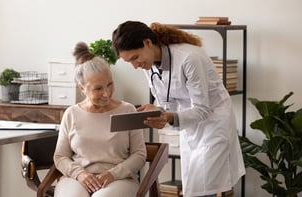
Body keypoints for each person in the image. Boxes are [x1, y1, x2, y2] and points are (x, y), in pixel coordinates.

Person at [112, 21, 246, 197]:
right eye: (129, 61)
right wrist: (156, 110)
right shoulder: (149, 66)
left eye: (135, 57)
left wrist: (167, 117)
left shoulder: (190, 58)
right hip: (189, 126)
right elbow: (168, 103)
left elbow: (202, 109)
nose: (135, 65)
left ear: (148, 43)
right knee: (195, 187)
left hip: (213, 124)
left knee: (205, 186)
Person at [53, 41, 147, 197]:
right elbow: (60, 156)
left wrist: (112, 174)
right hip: (77, 179)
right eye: (98, 88)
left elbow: (139, 155)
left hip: (119, 180)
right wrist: (80, 174)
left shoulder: (127, 110)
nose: (106, 93)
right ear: (81, 88)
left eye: (109, 84)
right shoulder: (71, 114)